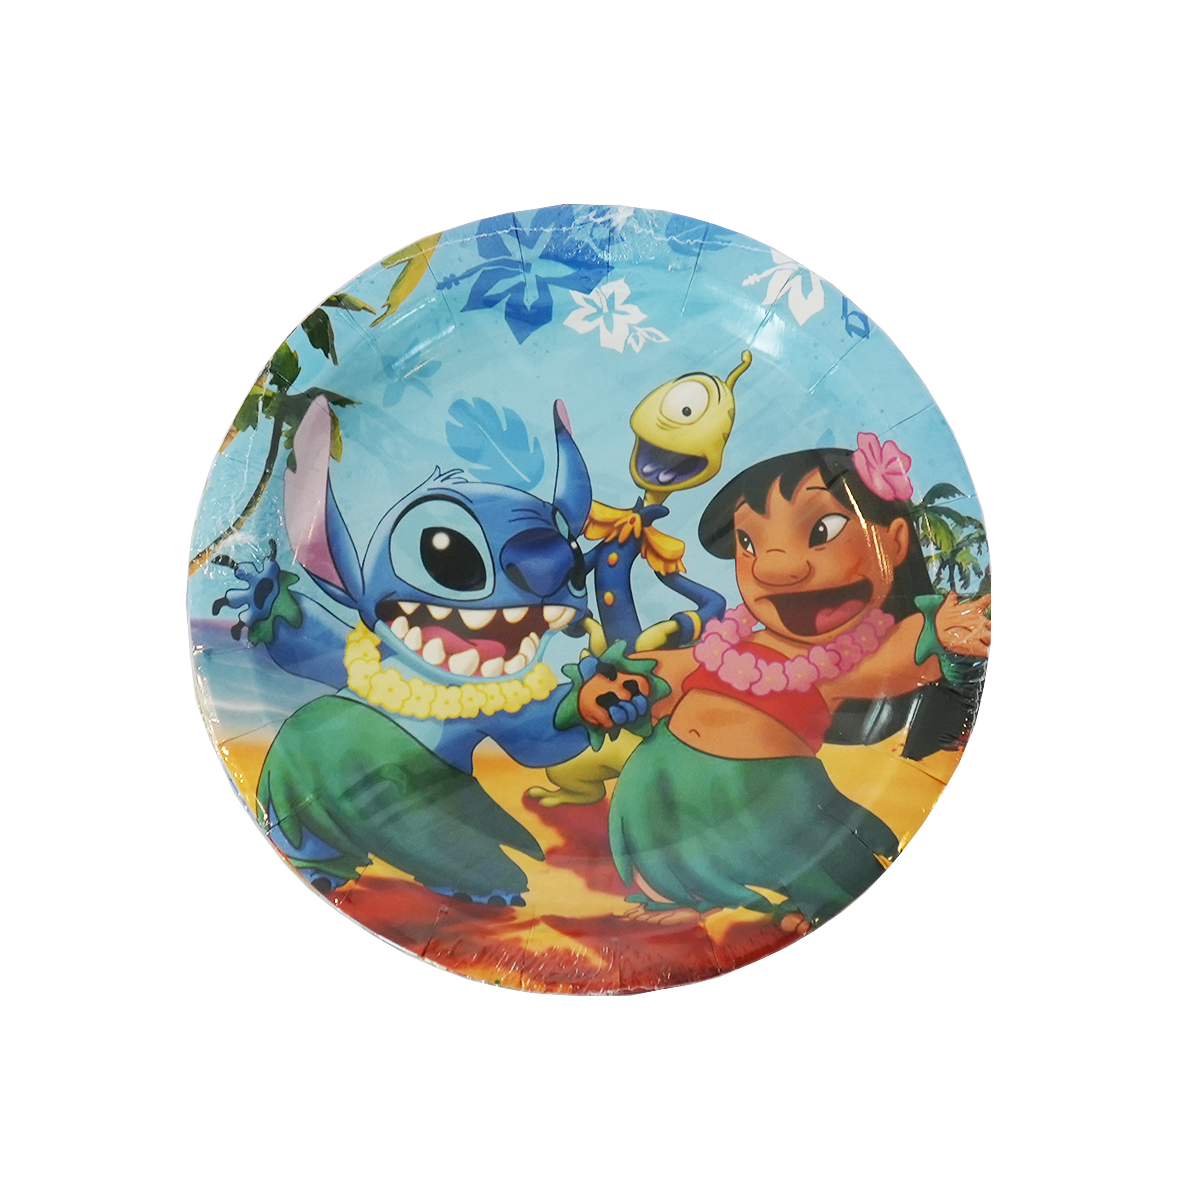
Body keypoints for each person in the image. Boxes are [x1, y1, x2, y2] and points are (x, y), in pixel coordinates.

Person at [575, 434, 991, 933]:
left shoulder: (841, 663)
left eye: (822, 529)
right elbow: (661, 668)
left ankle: (818, 911)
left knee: (805, 854)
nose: (774, 568)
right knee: (654, 847)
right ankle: (675, 899)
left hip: (765, 790)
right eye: (748, 543)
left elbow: (902, 656)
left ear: (895, 542)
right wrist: (607, 689)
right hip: (658, 779)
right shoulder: (727, 645)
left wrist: (941, 633)